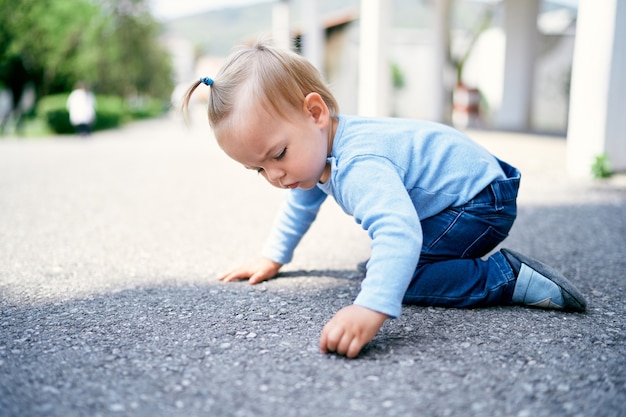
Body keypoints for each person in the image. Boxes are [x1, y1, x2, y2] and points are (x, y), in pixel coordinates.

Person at [182, 41, 587, 359]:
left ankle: (504, 277)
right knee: (383, 267)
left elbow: (399, 232)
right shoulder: (318, 149)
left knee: (400, 273)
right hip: (477, 188)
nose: (275, 176)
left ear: (315, 112)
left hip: (480, 202)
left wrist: (370, 307)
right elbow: (302, 202)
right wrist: (273, 255)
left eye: (278, 155)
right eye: (259, 170)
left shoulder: (358, 163)